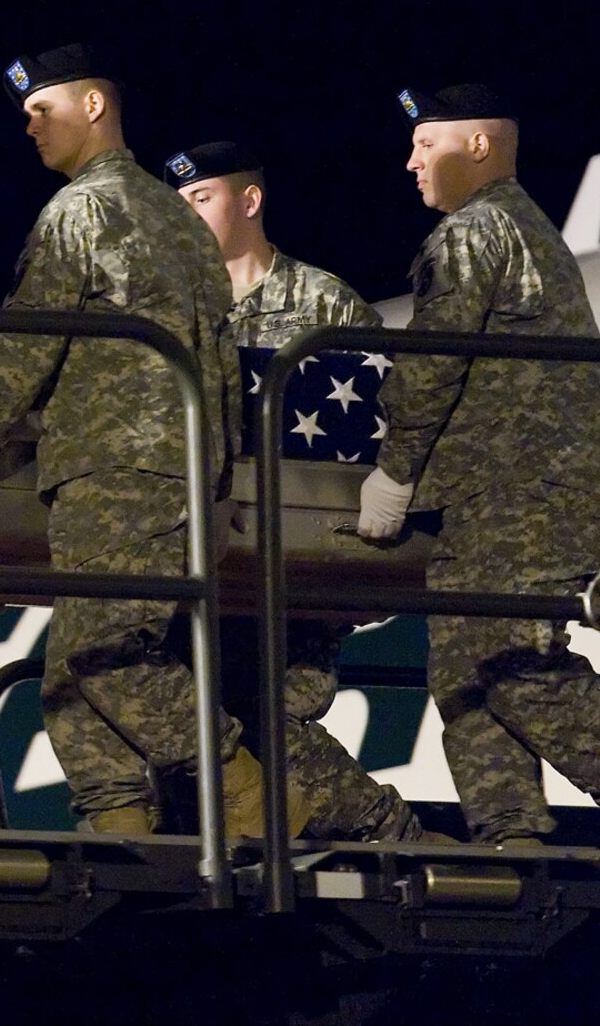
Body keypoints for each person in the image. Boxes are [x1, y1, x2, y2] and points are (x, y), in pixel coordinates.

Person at [0, 44, 302, 839]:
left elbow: (25, 349)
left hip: (117, 472)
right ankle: (118, 815)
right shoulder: (180, 223)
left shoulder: (80, 212)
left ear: (94, 106)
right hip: (180, 472)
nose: (28, 126)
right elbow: (221, 361)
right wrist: (218, 481)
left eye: (41, 108)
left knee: (100, 658)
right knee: (67, 675)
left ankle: (250, 793)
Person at [358, 83, 600, 850]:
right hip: (509, 486)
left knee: (503, 651)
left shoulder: (474, 233)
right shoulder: (527, 229)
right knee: (460, 666)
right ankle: (509, 833)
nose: (411, 161)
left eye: (426, 144)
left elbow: (433, 363)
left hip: (521, 488)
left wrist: (395, 468)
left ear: (477, 145)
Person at [164, 141, 439, 844]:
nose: (185, 217)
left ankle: (388, 834)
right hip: (203, 560)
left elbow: (387, 412)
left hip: (299, 563)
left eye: (201, 199)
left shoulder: (322, 303)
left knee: (259, 711)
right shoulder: (170, 316)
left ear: (249, 201)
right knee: (177, 723)